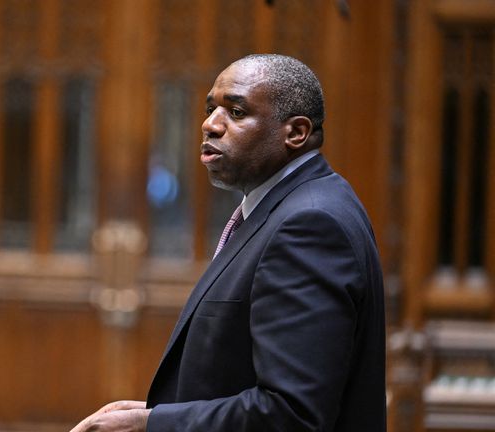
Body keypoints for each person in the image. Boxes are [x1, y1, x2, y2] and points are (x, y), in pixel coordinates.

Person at [70, 54, 386, 431]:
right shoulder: (293, 205)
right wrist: (153, 412)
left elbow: (292, 414)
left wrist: (150, 425)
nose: (210, 124)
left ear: (296, 132)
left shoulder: (309, 225)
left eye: (236, 112)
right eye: (210, 108)